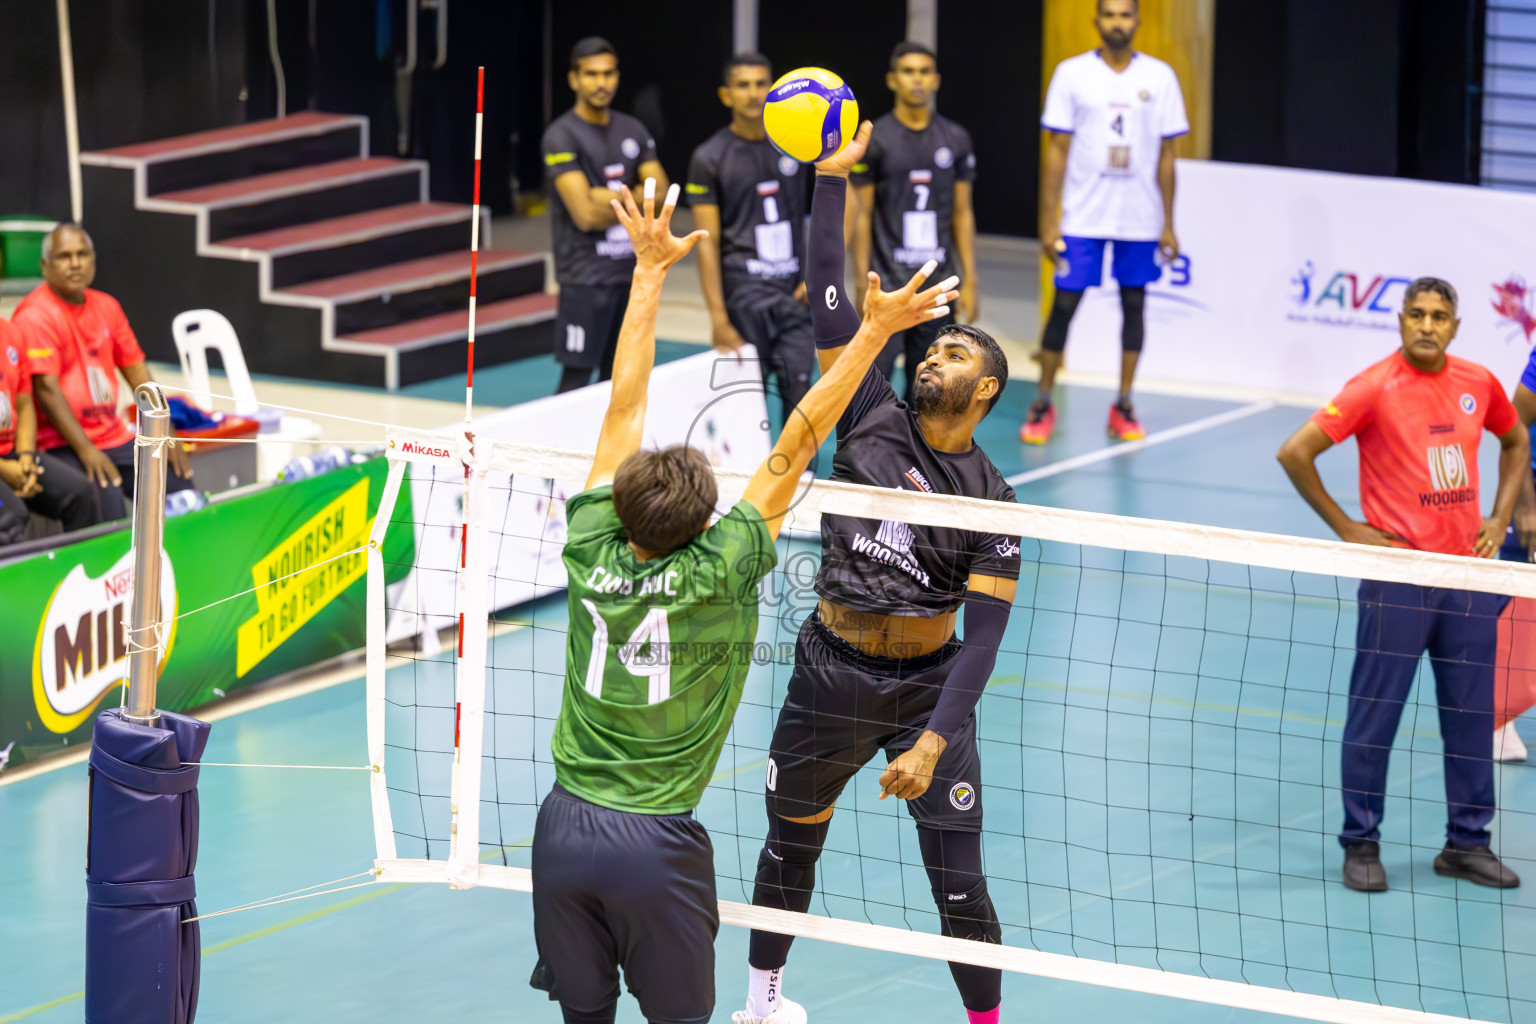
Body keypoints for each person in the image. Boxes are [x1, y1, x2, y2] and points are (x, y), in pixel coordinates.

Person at [529, 173, 958, 1024]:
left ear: (621, 505)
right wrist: (872, 333)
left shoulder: (588, 541)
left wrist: (650, 272)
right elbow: (799, 436)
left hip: (562, 829)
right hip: (655, 846)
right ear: (703, 519)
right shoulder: (723, 561)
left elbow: (622, 403)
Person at [737, 128, 1019, 1024]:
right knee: (791, 848)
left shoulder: (994, 501)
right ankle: (761, 1002)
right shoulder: (869, 413)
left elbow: (984, 642)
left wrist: (935, 739)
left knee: (960, 884)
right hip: (830, 670)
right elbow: (828, 302)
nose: (934, 356)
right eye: (933, 350)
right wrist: (829, 181)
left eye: (954, 356)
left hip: (929, 690)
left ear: (984, 393)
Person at [1277, 277, 1525, 892]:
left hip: (1466, 575)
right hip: (1399, 578)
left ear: (1455, 326)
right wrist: (1347, 528)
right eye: (1416, 314)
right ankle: (1361, 842)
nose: (1427, 325)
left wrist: (1500, 516)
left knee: (1470, 716)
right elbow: (1295, 452)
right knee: (1376, 714)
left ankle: (1468, 844)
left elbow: (1517, 440)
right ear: (1400, 319)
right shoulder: (1373, 386)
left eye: (1439, 316)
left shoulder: (1478, 382)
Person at [1023, 0, 1187, 445]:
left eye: (1125, 15)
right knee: (1064, 306)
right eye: (1110, 15)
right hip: (1082, 215)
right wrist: (1049, 220)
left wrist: (1168, 223)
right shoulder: (1071, 73)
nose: (1118, 22)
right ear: (1097, 21)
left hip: (1139, 218)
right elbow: (1056, 151)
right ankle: (1042, 399)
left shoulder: (1160, 77)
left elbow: (1169, 157)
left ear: (1136, 21)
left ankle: (1124, 402)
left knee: (1135, 306)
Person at [14, 224, 193, 522]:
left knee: (176, 478)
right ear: (45, 265)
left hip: (110, 434)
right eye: (64, 256)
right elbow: (46, 390)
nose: (75, 263)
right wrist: (86, 451)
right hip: (60, 443)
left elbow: (138, 374)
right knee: (104, 492)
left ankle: (179, 562)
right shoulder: (35, 314)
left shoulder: (107, 306)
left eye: (83, 254)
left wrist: (165, 432)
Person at [687, 52, 815, 418]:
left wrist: (817, 275)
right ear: (726, 95)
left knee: (802, 412)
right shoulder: (710, 156)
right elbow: (706, 241)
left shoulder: (796, 145)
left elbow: (818, 216)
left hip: (795, 301)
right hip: (744, 304)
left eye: (762, 84)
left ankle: (799, 478)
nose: (754, 93)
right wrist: (718, 319)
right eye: (743, 85)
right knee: (743, 414)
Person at [851, 40, 979, 404]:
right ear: (892, 80)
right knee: (872, 384)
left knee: (930, 389)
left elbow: (962, 212)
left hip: (936, 288)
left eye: (924, 72)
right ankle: (866, 457)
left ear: (936, 80)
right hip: (889, 283)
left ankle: (913, 459)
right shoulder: (876, 138)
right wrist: (861, 277)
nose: (917, 80)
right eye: (908, 72)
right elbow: (861, 214)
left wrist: (970, 277)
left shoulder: (955, 138)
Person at [542, 36, 670, 394]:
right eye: (592, 74)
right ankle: (560, 449)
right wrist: (635, 197)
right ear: (574, 79)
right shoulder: (561, 135)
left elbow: (661, 195)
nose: (602, 83)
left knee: (622, 380)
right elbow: (583, 213)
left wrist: (603, 196)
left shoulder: (633, 129)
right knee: (577, 379)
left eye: (609, 74)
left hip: (631, 274)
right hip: (585, 278)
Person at [0, 313, 101, 539]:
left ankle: (80, 570)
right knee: (10, 522)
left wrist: (25, 457)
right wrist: (5, 470)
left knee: (81, 494)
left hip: (12, 452)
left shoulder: (9, 332)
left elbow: (24, 403)